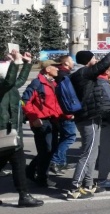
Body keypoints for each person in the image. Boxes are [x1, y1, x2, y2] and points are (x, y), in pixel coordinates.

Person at [66, 46, 110, 200]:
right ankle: (74, 188)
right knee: (87, 152)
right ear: (88, 60)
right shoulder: (83, 73)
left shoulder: (82, 73)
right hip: (87, 117)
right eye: (93, 58)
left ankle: (88, 184)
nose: (96, 60)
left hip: (92, 115)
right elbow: (104, 64)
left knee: (93, 152)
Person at [0, 50, 44, 207]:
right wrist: (15, 63)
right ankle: (24, 195)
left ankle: (24, 195)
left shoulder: (8, 86)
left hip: (11, 132)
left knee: (18, 163)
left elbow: (18, 81)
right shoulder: (2, 86)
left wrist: (26, 63)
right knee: (17, 163)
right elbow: (9, 82)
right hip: (3, 132)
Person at [22, 59, 66, 188]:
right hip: (41, 122)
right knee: (46, 150)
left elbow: (54, 103)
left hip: (53, 120)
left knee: (49, 150)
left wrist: (66, 115)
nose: (58, 69)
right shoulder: (37, 83)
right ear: (47, 69)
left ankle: (30, 171)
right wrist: (33, 117)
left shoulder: (53, 83)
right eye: (55, 67)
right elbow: (24, 101)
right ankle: (42, 178)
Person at [49, 55, 77, 176]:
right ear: (66, 63)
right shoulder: (63, 76)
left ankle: (62, 161)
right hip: (65, 112)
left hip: (62, 111)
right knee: (70, 136)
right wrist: (69, 112)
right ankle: (55, 161)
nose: (73, 63)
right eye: (71, 61)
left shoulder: (63, 74)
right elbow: (66, 96)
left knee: (65, 136)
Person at [95, 64, 110, 188]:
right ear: (106, 71)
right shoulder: (104, 84)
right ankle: (102, 179)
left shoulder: (96, 81)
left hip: (97, 119)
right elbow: (108, 105)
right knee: (106, 150)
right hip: (106, 120)